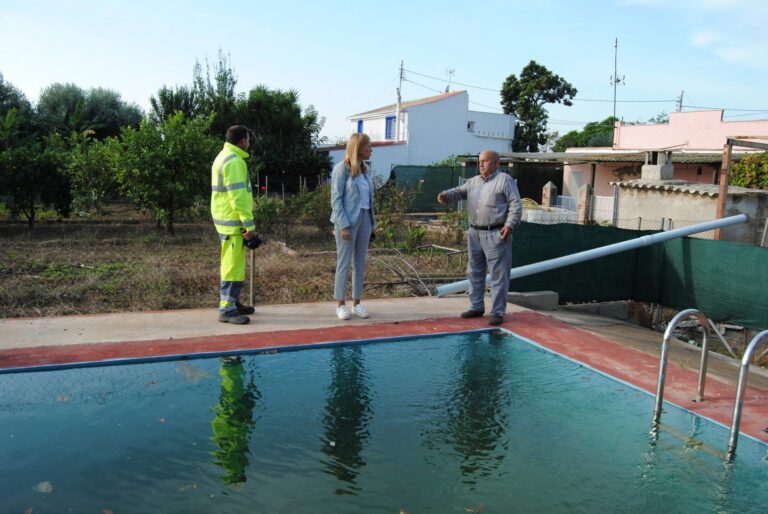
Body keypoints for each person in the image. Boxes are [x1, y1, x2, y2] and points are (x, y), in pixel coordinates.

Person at [437, 149, 522, 325]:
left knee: (498, 274)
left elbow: (515, 204)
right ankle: (476, 307)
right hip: (474, 233)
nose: (481, 164)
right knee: (474, 271)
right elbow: (459, 192)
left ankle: (497, 312)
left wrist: (509, 225)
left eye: (485, 161)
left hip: (496, 234)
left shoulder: (504, 180)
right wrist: (445, 195)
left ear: (497, 163)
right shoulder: (474, 181)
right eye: (480, 161)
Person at [211, 125, 257, 324]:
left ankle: (233, 302)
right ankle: (227, 309)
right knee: (232, 267)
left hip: (226, 219)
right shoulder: (235, 161)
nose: (249, 143)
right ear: (242, 140)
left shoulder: (223, 156)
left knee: (233, 264)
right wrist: (249, 227)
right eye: (248, 139)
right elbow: (238, 197)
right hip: (233, 222)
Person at [330, 133, 376, 320]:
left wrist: (372, 223)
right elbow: (336, 200)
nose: (371, 150)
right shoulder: (341, 169)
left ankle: (357, 303)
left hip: (365, 220)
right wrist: (343, 225)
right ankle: (340, 305)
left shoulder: (365, 170)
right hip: (347, 222)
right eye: (368, 147)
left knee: (360, 263)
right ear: (358, 148)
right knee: (344, 263)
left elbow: (369, 200)